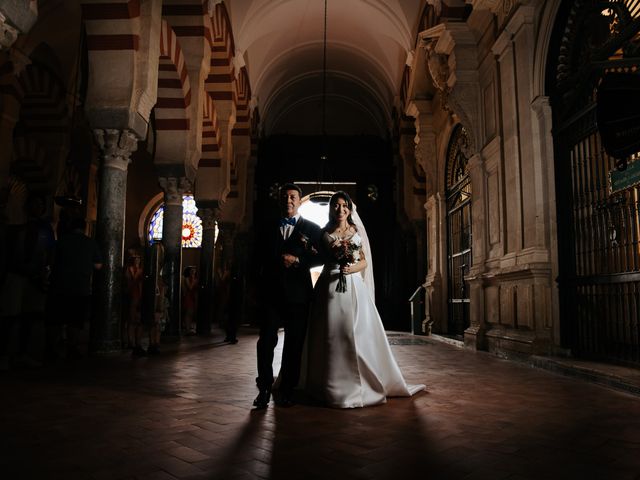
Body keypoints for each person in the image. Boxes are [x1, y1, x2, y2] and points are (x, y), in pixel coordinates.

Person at [304, 191, 425, 408]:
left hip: (353, 286)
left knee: (357, 332)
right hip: (329, 285)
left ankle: (361, 382)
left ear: (349, 209)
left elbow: (364, 263)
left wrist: (350, 267)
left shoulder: (356, 231)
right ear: (331, 208)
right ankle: (328, 384)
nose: (340, 209)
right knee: (330, 333)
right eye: (336, 205)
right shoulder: (324, 233)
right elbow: (319, 259)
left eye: (344, 206)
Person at [253, 183, 322, 408]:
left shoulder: (311, 229)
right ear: (279, 200)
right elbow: (254, 259)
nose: (288, 200)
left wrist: (299, 261)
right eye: (284, 197)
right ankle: (263, 388)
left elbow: (322, 257)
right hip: (270, 295)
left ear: (299, 201)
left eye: (292, 197)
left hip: (298, 296)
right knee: (266, 343)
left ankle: (287, 390)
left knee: (294, 344)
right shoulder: (266, 227)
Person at [49, 217, 102, 359]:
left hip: (59, 285)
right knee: (75, 320)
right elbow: (98, 265)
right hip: (80, 287)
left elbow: (51, 260)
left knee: (57, 319)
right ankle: (72, 348)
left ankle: (52, 348)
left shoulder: (61, 241)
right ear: (85, 228)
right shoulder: (90, 243)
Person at [124, 253, 144, 355]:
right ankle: (130, 341)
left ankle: (137, 342)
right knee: (131, 319)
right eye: (136, 259)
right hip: (132, 294)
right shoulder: (129, 269)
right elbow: (128, 281)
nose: (137, 260)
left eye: (138, 259)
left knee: (138, 319)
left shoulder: (141, 270)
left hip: (139, 294)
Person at [182, 266, 199, 335]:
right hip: (188, 296)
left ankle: (188, 328)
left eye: (194, 270)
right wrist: (194, 281)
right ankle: (187, 330)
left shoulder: (195, 278)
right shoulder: (186, 278)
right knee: (188, 313)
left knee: (191, 313)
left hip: (193, 297)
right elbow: (190, 287)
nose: (193, 272)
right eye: (192, 270)